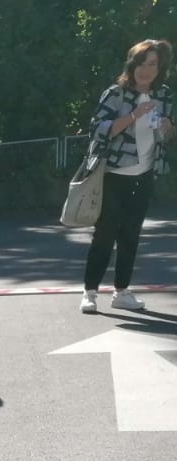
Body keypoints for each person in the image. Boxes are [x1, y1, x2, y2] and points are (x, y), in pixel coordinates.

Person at [81, 39, 173, 313]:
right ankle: (90, 292)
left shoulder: (164, 94)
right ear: (132, 65)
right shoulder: (116, 93)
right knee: (105, 235)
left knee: (131, 235)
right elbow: (98, 129)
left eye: (153, 64)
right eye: (142, 64)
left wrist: (168, 128)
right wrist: (134, 115)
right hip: (113, 174)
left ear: (160, 68)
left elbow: (163, 136)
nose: (146, 70)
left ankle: (122, 291)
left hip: (144, 175)